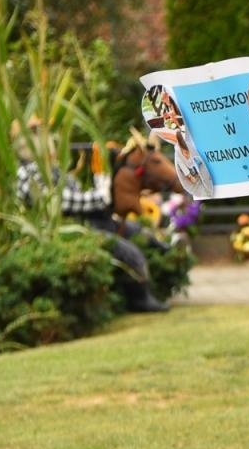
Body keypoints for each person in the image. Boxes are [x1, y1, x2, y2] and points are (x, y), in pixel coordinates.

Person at [14, 126, 169, 314]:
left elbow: (77, 194)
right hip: (71, 228)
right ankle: (140, 300)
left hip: (85, 220)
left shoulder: (50, 170)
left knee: (136, 230)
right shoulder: (30, 174)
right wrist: (102, 183)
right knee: (130, 253)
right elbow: (67, 202)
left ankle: (164, 250)